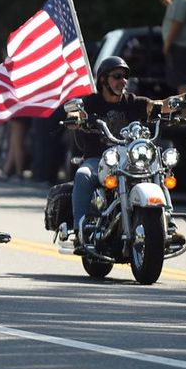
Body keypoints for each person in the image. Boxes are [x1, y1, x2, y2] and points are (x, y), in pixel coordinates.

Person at [66, 56, 168, 245]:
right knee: (82, 175)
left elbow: (159, 105)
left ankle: (167, 225)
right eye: (117, 76)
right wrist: (75, 118)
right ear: (104, 80)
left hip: (129, 161)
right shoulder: (91, 103)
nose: (123, 81)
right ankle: (80, 230)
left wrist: (183, 100)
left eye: (125, 77)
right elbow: (77, 113)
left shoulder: (132, 101)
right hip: (99, 160)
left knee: (159, 171)